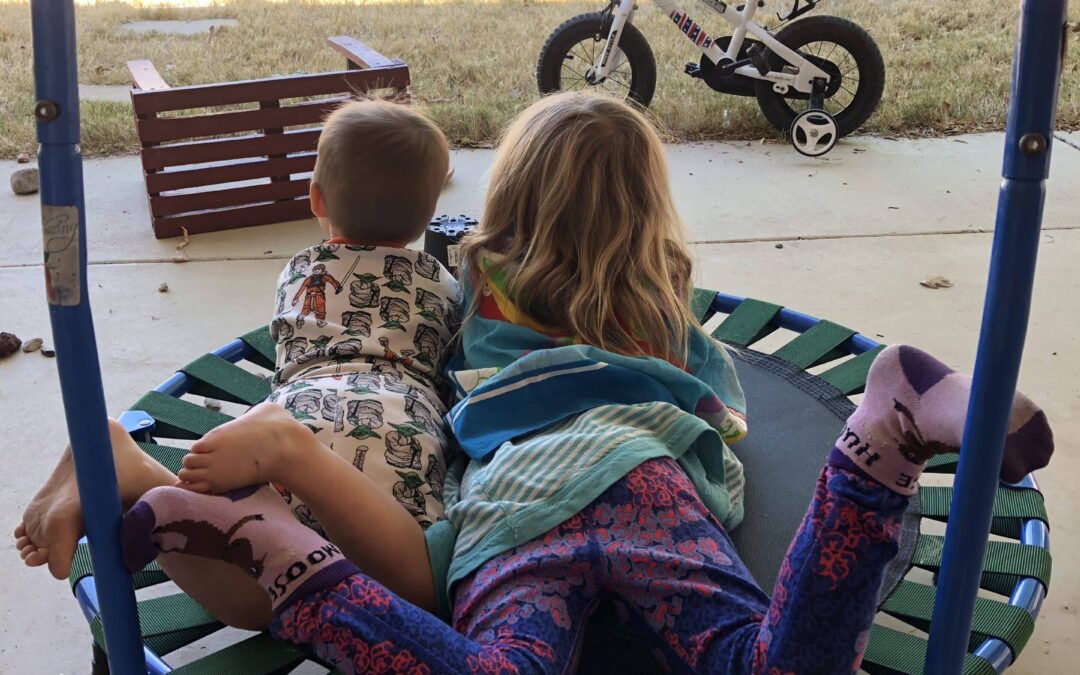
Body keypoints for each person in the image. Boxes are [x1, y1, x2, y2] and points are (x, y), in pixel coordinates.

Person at [107, 93, 1053, 674]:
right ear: (648, 223)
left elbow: (434, 374)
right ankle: (876, 443)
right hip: (648, 482)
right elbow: (724, 410)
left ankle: (284, 555)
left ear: (507, 209)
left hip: (519, 508)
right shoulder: (662, 295)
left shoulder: (477, 275)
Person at [15, 98, 459, 619]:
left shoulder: (301, 272)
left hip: (296, 408)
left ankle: (137, 473)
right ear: (430, 210)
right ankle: (285, 453)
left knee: (259, 579)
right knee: (420, 595)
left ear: (316, 198)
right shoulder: (443, 284)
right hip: (392, 420)